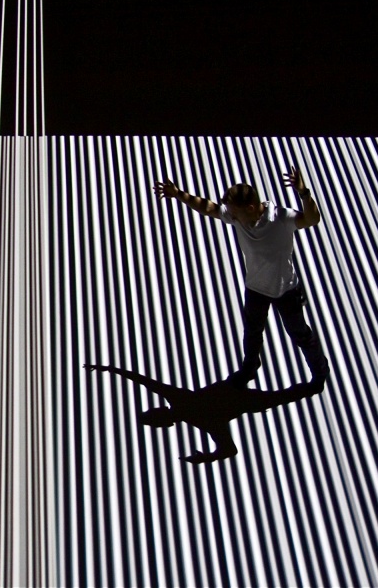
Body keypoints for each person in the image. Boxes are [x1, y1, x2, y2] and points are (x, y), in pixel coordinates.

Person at [153, 167, 330, 390]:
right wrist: (178, 194)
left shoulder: (280, 218)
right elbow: (209, 208)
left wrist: (303, 193)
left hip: (286, 290)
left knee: (300, 333)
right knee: (252, 333)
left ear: (251, 208)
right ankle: (249, 368)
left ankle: (320, 372)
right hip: (255, 288)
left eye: (234, 212)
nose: (231, 216)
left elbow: (312, 219)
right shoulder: (237, 218)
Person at [84, 363, 321, 463]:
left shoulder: (189, 409)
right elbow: (229, 450)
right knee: (273, 389)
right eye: (155, 414)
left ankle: (314, 384)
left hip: (237, 388)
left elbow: (143, 380)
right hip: (242, 395)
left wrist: (206, 457)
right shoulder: (193, 413)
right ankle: (314, 384)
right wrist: (205, 457)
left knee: (262, 378)